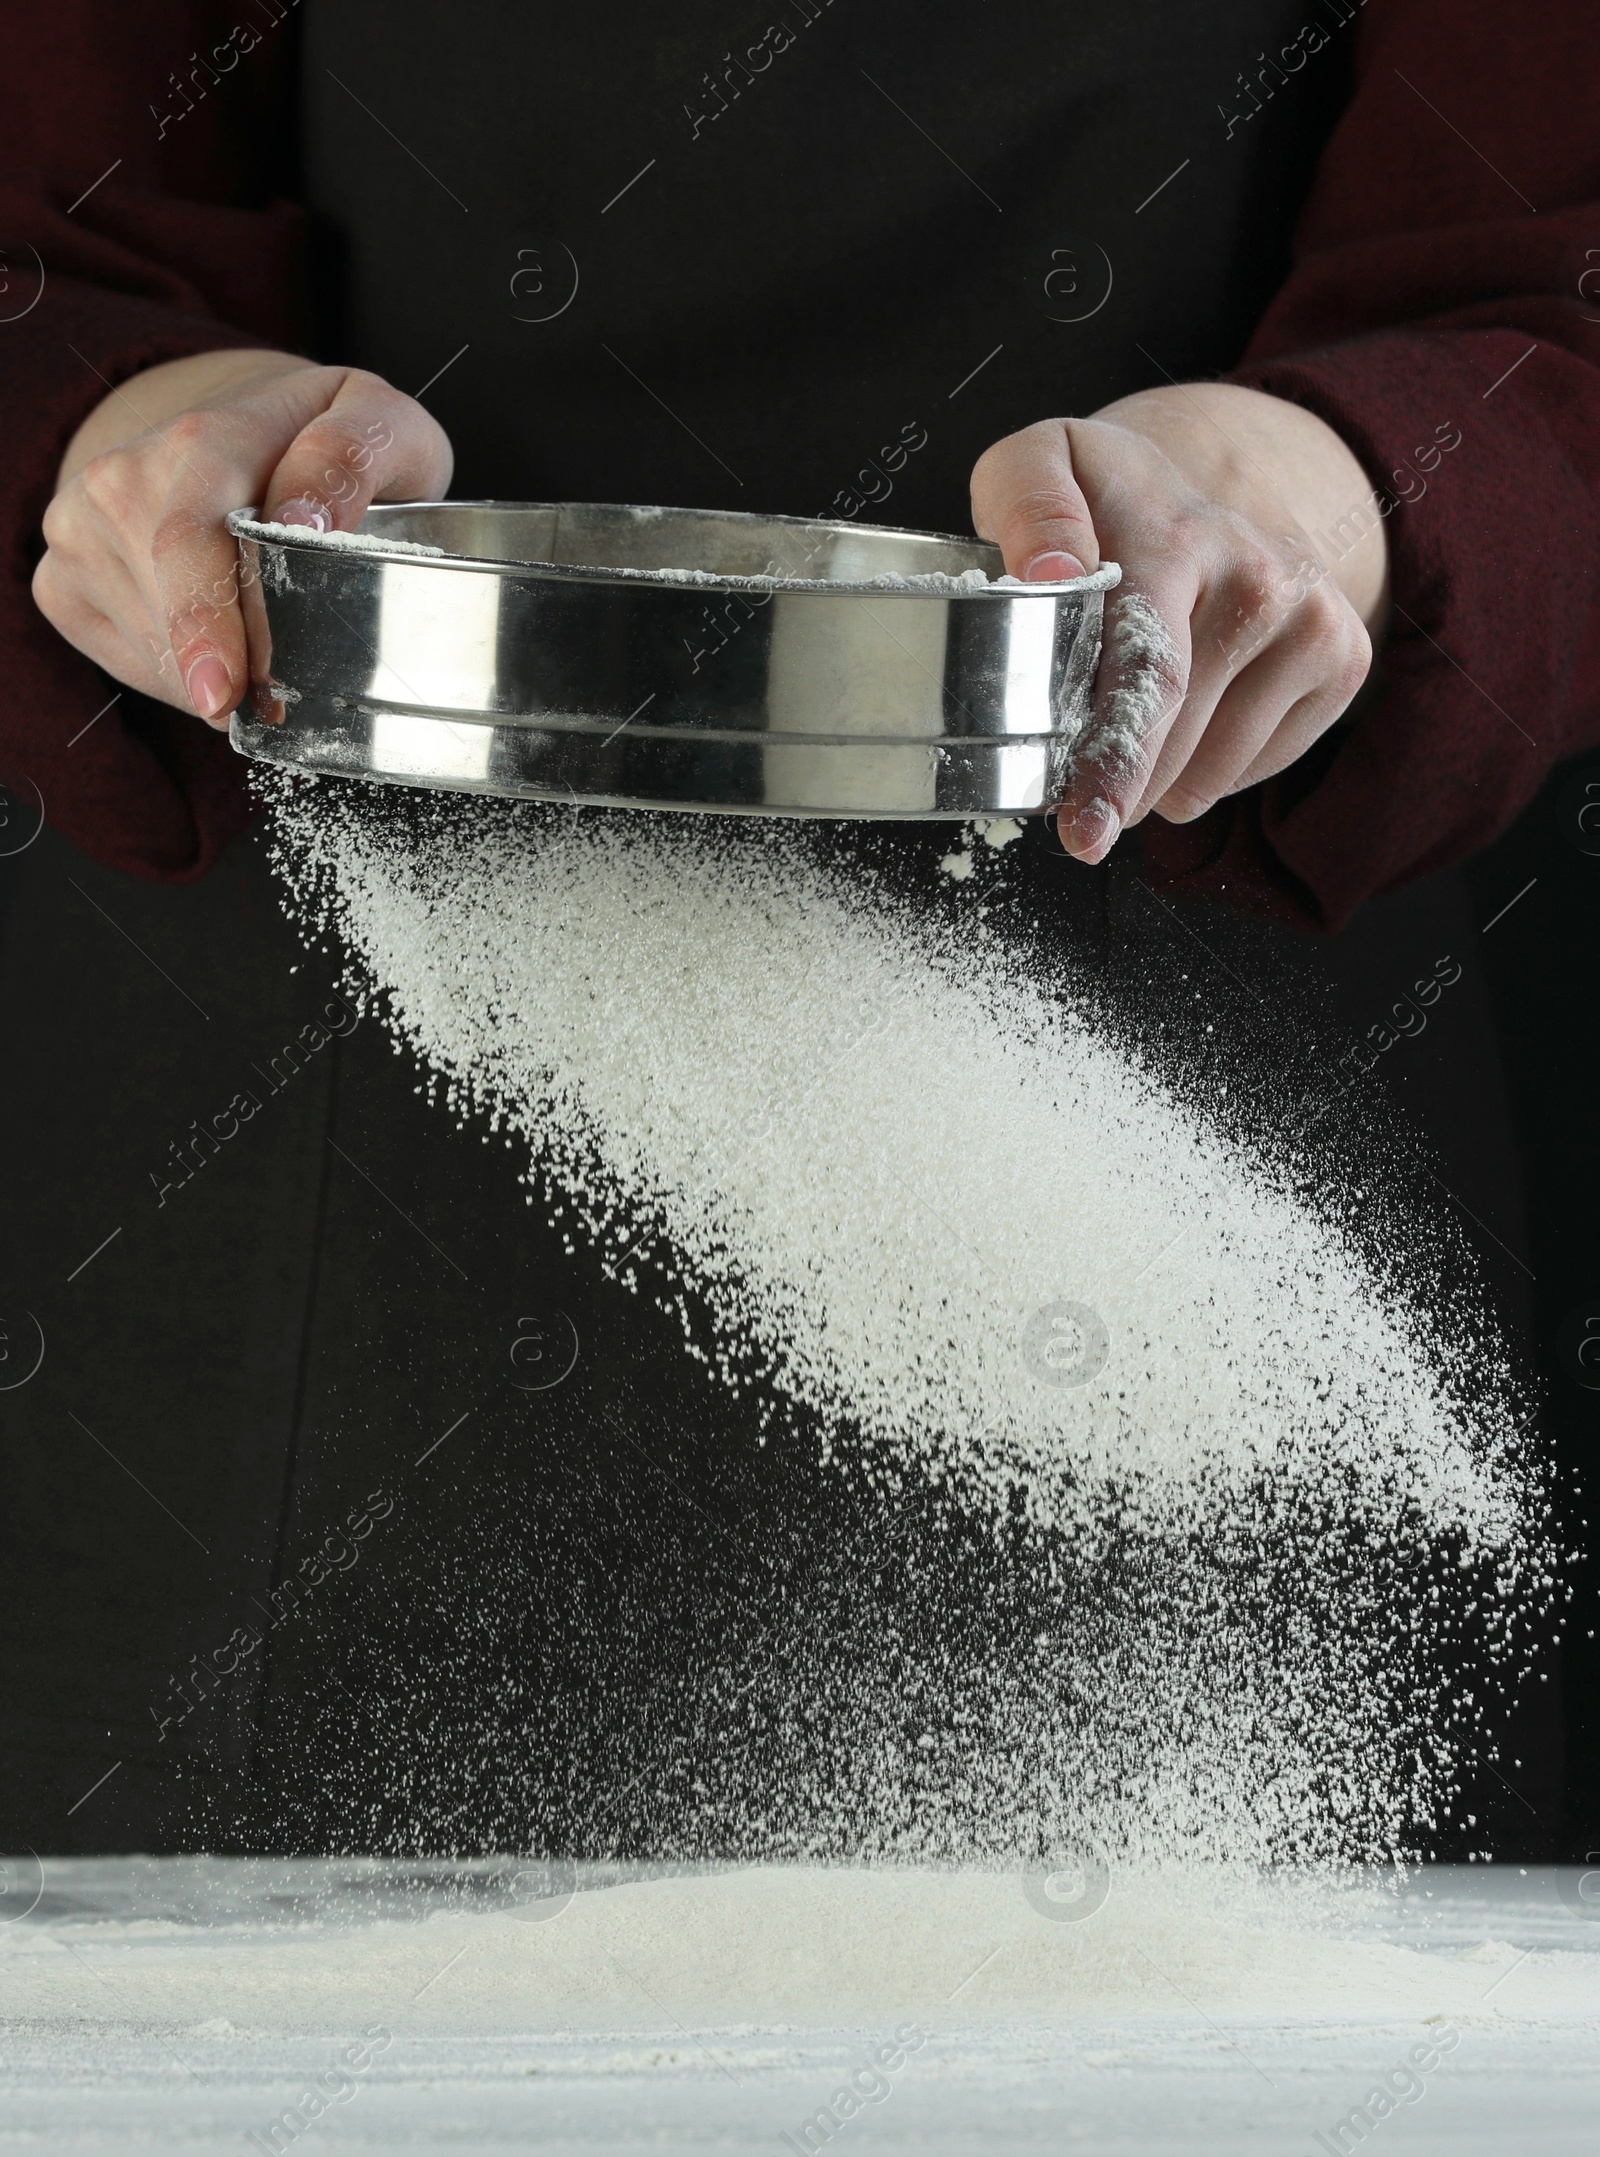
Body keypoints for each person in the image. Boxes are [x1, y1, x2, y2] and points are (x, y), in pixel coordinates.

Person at [1, 0, 1595, 1857]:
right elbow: (49, 240)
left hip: (1175, 1075)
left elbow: (1554, 298)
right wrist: (125, 430)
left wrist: (1323, 490)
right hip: (308, 1130)